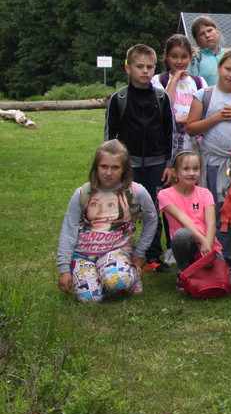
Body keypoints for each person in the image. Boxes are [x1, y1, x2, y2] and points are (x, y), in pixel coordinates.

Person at [57, 140, 158, 303]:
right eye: (104, 166)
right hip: (83, 254)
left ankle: (129, 274)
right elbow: (68, 230)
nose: (109, 172)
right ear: (96, 167)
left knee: (118, 282)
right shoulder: (82, 193)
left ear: (124, 168)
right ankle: (93, 275)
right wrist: (64, 269)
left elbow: (152, 220)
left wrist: (139, 254)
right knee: (90, 299)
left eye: (115, 167)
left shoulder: (136, 191)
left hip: (115, 251)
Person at [105, 43, 174, 272]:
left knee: (153, 211)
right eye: (139, 66)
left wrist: (169, 164)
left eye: (149, 67)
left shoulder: (162, 98)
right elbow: (109, 138)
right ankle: (121, 252)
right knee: (125, 210)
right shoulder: (119, 98)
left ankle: (153, 257)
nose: (145, 71)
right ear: (128, 68)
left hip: (156, 165)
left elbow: (169, 133)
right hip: (129, 166)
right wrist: (115, 167)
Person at [186, 49, 231, 276]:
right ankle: (222, 253)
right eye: (228, 69)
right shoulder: (205, 95)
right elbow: (191, 127)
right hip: (213, 162)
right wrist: (216, 117)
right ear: (219, 67)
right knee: (218, 209)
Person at [158, 150, 217, 288]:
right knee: (182, 235)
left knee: (219, 282)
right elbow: (182, 219)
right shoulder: (165, 194)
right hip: (187, 243)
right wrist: (203, 241)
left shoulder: (205, 193)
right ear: (174, 172)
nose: (191, 173)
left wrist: (208, 247)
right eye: (186, 169)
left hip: (207, 242)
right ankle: (184, 270)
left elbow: (211, 223)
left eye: (195, 168)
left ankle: (200, 268)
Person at [152, 34, 205, 157]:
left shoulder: (199, 82)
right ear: (166, 56)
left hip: (193, 144)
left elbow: (203, 112)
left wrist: (177, 120)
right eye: (174, 56)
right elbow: (165, 107)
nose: (179, 61)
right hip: (167, 143)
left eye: (184, 57)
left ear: (191, 57)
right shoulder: (158, 80)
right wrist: (174, 79)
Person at [187, 15, 225, 86]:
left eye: (209, 30)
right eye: (201, 34)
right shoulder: (194, 61)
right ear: (196, 40)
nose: (207, 35)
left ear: (217, 32)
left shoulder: (229, 57)